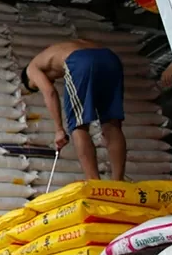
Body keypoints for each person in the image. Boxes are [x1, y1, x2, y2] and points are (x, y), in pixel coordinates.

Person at [20, 39, 126, 181]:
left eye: (35, 86)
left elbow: (50, 92)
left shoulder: (31, 69)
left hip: (81, 61)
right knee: (111, 123)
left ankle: (94, 183)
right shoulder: (57, 48)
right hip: (110, 58)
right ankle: (118, 181)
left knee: (78, 125)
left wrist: (58, 129)